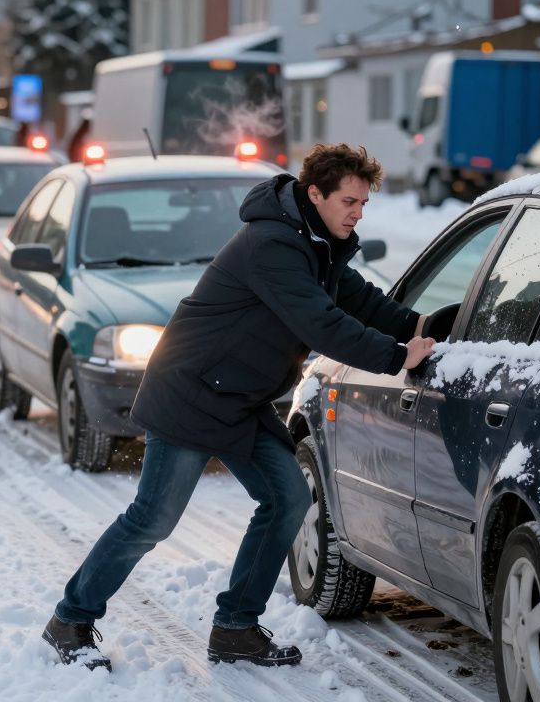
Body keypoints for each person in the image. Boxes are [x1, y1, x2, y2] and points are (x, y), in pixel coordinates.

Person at [42, 144, 436, 670]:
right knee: (152, 519)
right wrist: (396, 356)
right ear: (315, 194)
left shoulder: (316, 243)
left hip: (239, 398)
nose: (358, 213)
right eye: (349, 201)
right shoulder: (272, 245)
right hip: (191, 394)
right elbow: (320, 322)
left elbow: (360, 300)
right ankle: (69, 620)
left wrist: (424, 327)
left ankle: (235, 628)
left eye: (363, 203)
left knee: (287, 498)